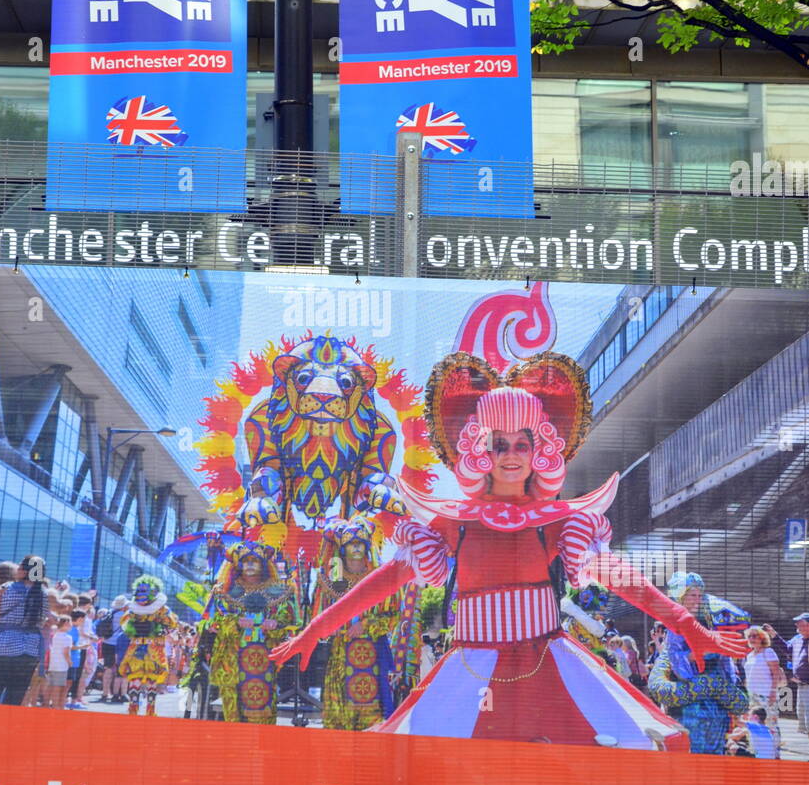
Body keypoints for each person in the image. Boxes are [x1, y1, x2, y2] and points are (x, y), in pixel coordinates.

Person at [272, 286, 746, 748]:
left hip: (551, 665)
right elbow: (389, 578)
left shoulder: (557, 520)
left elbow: (619, 577)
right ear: (480, 450)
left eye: (523, 443)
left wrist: (687, 624)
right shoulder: (455, 522)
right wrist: (315, 629)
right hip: (470, 672)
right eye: (500, 444)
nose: (512, 455)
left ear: (540, 448)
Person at [312, 515, 398, 731]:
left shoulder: (381, 577)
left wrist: (366, 625)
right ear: (343, 548)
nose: (356, 549)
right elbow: (319, 620)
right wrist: (338, 626)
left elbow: (393, 615)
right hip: (341, 656)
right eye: (351, 544)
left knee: (371, 717)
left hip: (371, 659)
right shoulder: (330, 580)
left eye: (360, 543)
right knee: (338, 717)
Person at [648, 573, 749, 754]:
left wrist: (730, 679)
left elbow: (725, 656)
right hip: (692, 691)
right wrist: (696, 655)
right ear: (682, 597)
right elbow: (675, 657)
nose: (697, 599)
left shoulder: (711, 619)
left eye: (699, 595)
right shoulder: (677, 625)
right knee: (696, 735)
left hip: (715, 691)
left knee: (717, 731)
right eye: (692, 595)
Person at [203, 542, 299, 725]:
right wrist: (234, 622)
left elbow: (292, 623)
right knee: (233, 713)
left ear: (263, 563)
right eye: (245, 560)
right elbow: (210, 623)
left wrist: (276, 624)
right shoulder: (223, 592)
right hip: (232, 660)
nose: (249, 564)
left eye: (255, 560)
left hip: (264, 661)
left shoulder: (280, 593)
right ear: (238, 564)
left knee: (262, 710)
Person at [0, 555, 48, 706]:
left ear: (24, 571)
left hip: (1, 645)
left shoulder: (5, 589)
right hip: (30, 649)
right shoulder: (44, 595)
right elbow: (43, 623)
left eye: (19, 567)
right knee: (15, 696)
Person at [118, 575, 179, 716]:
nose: (141, 594)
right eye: (139, 591)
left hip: (154, 650)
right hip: (137, 648)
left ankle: (150, 710)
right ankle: (133, 709)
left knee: (152, 680)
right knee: (135, 678)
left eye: (145, 591)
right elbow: (125, 624)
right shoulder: (132, 609)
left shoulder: (162, 609)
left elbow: (171, 624)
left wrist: (157, 629)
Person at [742, 625, 785, 741]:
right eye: (749, 636)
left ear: (762, 637)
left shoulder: (768, 652)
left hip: (766, 694)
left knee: (771, 724)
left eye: (754, 636)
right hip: (753, 695)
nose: (751, 639)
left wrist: (773, 692)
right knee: (755, 724)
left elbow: (776, 673)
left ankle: (775, 753)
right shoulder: (749, 655)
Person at [44, 615, 74, 709]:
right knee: (58, 687)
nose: (71, 625)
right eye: (70, 623)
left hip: (52, 664)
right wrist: (69, 662)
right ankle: (56, 706)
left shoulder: (54, 635)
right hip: (61, 666)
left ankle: (46, 704)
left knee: (50, 686)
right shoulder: (67, 638)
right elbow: (66, 652)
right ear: (65, 623)